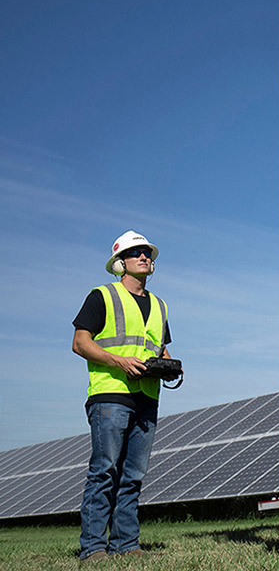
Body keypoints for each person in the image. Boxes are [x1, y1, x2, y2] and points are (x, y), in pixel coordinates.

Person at [72, 230, 178, 563]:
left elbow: (158, 347)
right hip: (110, 394)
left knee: (133, 475)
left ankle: (126, 545)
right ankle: (93, 548)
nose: (145, 256)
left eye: (147, 252)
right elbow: (80, 342)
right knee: (104, 471)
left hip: (147, 396)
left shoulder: (160, 305)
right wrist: (119, 362)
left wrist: (169, 366)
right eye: (137, 253)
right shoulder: (101, 296)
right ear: (121, 263)